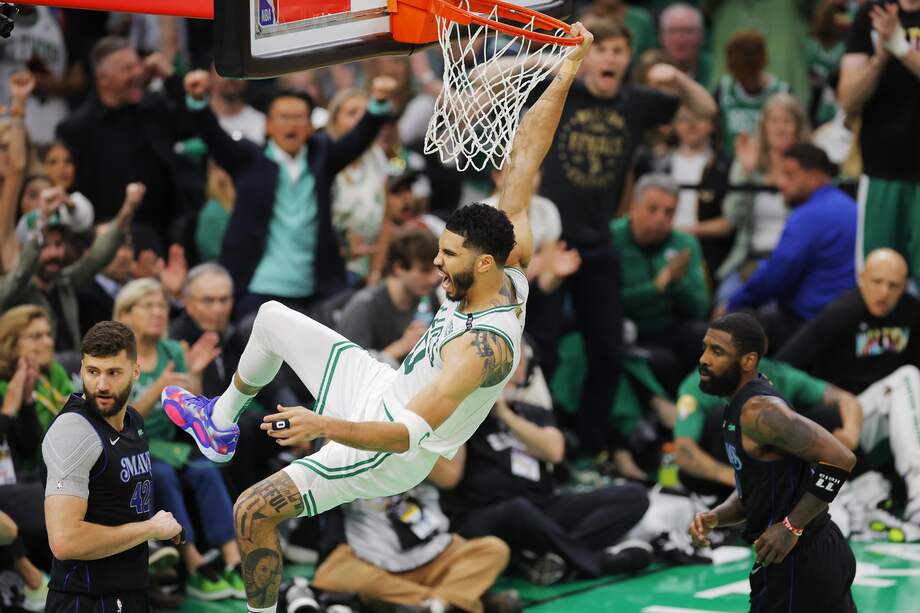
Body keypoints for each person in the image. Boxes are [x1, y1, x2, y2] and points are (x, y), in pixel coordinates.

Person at [161, 25, 595, 613]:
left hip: (389, 449)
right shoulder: (506, 257)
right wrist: (565, 72)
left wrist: (322, 427)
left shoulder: (482, 351)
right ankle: (220, 423)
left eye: (448, 256)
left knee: (252, 511)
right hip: (380, 387)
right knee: (269, 318)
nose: (436, 262)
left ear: (486, 262)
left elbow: (406, 436)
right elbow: (525, 153)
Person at [528, 16, 717, 458]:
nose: (609, 58)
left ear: (628, 58)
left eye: (618, 50)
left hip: (597, 244)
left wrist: (679, 79)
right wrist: (545, 59)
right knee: (543, 352)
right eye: (601, 49)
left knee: (608, 354)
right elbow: (482, 78)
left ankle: (591, 450)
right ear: (587, 54)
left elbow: (706, 110)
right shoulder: (563, 90)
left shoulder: (636, 101)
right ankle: (543, 449)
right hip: (551, 245)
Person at [182, 69, 397, 319]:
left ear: (309, 126)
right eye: (283, 117)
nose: (291, 124)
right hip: (259, 289)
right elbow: (213, 136)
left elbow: (357, 140)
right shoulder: (249, 159)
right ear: (269, 125)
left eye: (298, 117)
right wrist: (198, 102)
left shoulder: (322, 156)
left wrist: (378, 103)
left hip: (315, 290)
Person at [688, 313, 857, 612]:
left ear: (748, 361)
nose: (704, 359)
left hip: (801, 561)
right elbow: (757, 488)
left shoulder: (761, 412)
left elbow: (841, 459)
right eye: (705, 348)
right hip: (798, 558)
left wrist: (791, 527)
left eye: (717, 351)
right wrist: (717, 516)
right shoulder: (736, 406)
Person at [442, 347, 651, 584]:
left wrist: (505, 415)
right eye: (510, 363)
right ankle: (594, 561)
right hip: (486, 515)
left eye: (521, 362)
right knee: (517, 510)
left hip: (543, 506)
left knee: (634, 495)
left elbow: (554, 451)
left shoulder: (532, 412)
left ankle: (551, 558)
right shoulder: (465, 416)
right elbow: (450, 477)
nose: (517, 369)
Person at [114, 278, 245, 600]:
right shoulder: (117, 357)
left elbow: (192, 411)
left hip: (171, 445)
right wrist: (158, 386)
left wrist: (196, 373)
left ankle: (233, 560)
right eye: (149, 306)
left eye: (162, 306)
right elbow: (117, 420)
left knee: (206, 470)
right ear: (126, 313)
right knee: (162, 475)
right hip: (130, 446)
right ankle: (194, 563)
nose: (159, 313)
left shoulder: (172, 350)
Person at [41, 321, 184, 612]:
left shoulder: (134, 422)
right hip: (86, 600)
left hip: (131, 591)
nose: (102, 385)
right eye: (93, 372)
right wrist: (150, 529)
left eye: (113, 373)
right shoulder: (73, 431)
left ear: (135, 371)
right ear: (81, 368)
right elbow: (65, 541)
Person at [776, 248, 920, 521]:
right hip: (841, 425)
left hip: (892, 421)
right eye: (877, 282)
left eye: (894, 285)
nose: (884, 292)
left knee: (909, 381)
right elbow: (783, 368)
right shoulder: (841, 313)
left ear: (905, 286)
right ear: (861, 278)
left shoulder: (911, 313)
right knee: (907, 377)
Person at [726, 143, 857, 351]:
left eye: (789, 174)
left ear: (815, 177)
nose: (781, 183)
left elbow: (775, 277)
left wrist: (732, 304)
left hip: (809, 324)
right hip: (846, 320)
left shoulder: (809, 215)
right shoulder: (849, 205)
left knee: (735, 324)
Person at [311, 482, 519, 613]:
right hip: (373, 561)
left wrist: (411, 439)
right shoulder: (348, 443)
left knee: (493, 549)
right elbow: (322, 477)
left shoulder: (418, 430)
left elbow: (451, 475)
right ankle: (453, 601)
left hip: (437, 552)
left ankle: (441, 602)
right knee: (330, 575)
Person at [55, 37, 187, 243]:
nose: (137, 73)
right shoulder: (75, 130)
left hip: (165, 236)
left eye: (137, 65)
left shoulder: (154, 108)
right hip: (107, 241)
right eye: (127, 69)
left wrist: (171, 79)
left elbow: (192, 125)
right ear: (103, 79)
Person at [674, 357, 861, 499]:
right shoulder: (699, 384)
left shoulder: (775, 372)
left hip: (769, 470)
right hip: (721, 476)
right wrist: (732, 478)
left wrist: (848, 437)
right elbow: (683, 452)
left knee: (829, 416)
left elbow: (845, 399)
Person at [0, 182, 143, 354]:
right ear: (26, 249)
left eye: (59, 244)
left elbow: (97, 257)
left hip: (70, 375)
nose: (55, 253)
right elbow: (20, 275)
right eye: (45, 245)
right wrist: (42, 220)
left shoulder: (64, 283)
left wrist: (128, 208)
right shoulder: (13, 290)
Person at [839, 0, 920, 288]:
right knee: (876, 280)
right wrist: (880, 59)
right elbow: (847, 99)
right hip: (882, 169)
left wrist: (901, 47)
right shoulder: (873, 14)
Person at [611, 173, 710, 393]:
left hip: (668, 326)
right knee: (662, 362)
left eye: (669, 212)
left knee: (704, 336)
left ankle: (701, 406)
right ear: (634, 207)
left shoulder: (684, 243)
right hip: (626, 331)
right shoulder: (612, 238)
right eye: (652, 209)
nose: (660, 218)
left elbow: (701, 308)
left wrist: (678, 282)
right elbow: (607, 302)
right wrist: (656, 287)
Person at [715, 93, 810, 300]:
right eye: (774, 121)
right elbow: (732, 217)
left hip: (792, 262)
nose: (780, 128)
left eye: (787, 121)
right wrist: (745, 174)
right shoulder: (749, 164)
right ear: (764, 127)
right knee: (724, 303)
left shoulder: (808, 170)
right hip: (750, 259)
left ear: (798, 127)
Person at [636, 105, 733, 278]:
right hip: (658, 248)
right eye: (684, 119)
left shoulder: (725, 166)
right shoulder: (657, 163)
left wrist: (688, 231)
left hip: (708, 254)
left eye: (699, 118)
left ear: (712, 124)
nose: (691, 125)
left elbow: (730, 222)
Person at [336, 228, 441, 368]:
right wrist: (401, 347)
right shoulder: (364, 306)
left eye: (437, 269)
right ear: (398, 268)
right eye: (425, 270)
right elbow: (346, 366)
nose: (434, 279)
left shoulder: (428, 296)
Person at [714, 30, 792, 156]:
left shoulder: (782, 93)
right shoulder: (725, 88)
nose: (747, 82)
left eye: (751, 75)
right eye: (740, 77)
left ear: (763, 63)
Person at [208, 64, 266, 145]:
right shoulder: (196, 118)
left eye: (238, 71)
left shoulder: (261, 121)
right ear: (209, 76)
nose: (231, 77)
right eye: (224, 71)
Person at [658, 3, 711, 85]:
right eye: (674, 31)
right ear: (662, 37)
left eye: (688, 31)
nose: (681, 40)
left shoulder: (714, 69)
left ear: (701, 36)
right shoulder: (649, 71)